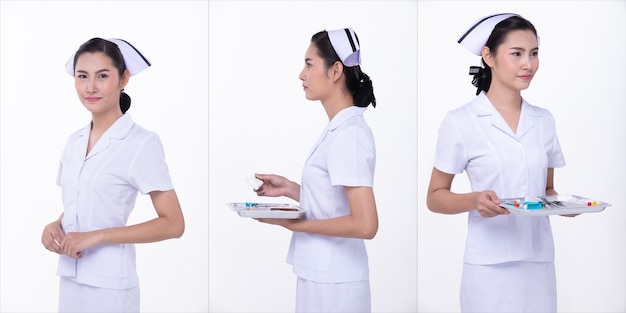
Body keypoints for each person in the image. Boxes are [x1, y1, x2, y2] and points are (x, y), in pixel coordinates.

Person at [426, 13, 569, 312]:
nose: (528, 64)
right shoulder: (460, 122)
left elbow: (548, 190)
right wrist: (475, 200)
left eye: (533, 53)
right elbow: (435, 197)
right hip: (488, 270)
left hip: (538, 266)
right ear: (488, 56)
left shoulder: (544, 121)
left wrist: (568, 207)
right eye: (516, 54)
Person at [40, 38, 185, 313]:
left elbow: (174, 224)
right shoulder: (74, 141)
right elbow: (80, 201)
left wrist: (95, 237)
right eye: (82, 76)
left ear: (124, 79)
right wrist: (56, 225)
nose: (90, 87)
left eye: (102, 76)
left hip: (111, 287)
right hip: (70, 279)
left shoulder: (140, 143)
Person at [252, 27, 378, 313]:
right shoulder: (339, 130)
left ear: (335, 71)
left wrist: (293, 224)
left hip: (336, 285)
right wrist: (291, 189)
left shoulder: (350, 135)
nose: (302, 74)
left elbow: (366, 224)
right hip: (321, 276)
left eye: (309, 65)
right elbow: (335, 200)